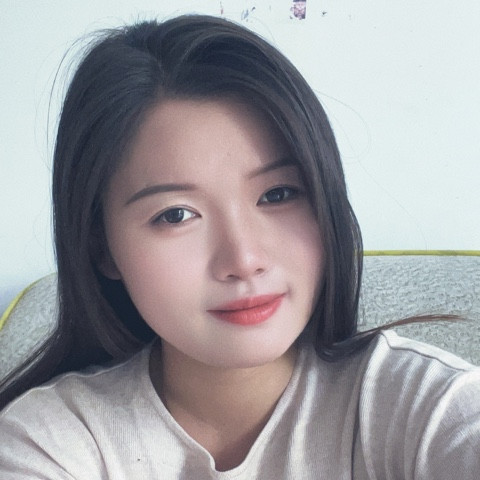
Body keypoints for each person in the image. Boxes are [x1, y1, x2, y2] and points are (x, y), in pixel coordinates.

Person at [0, 14, 478, 478]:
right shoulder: (51, 442)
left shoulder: (427, 407)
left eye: (278, 194)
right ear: (102, 247)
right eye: (176, 215)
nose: (244, 260)